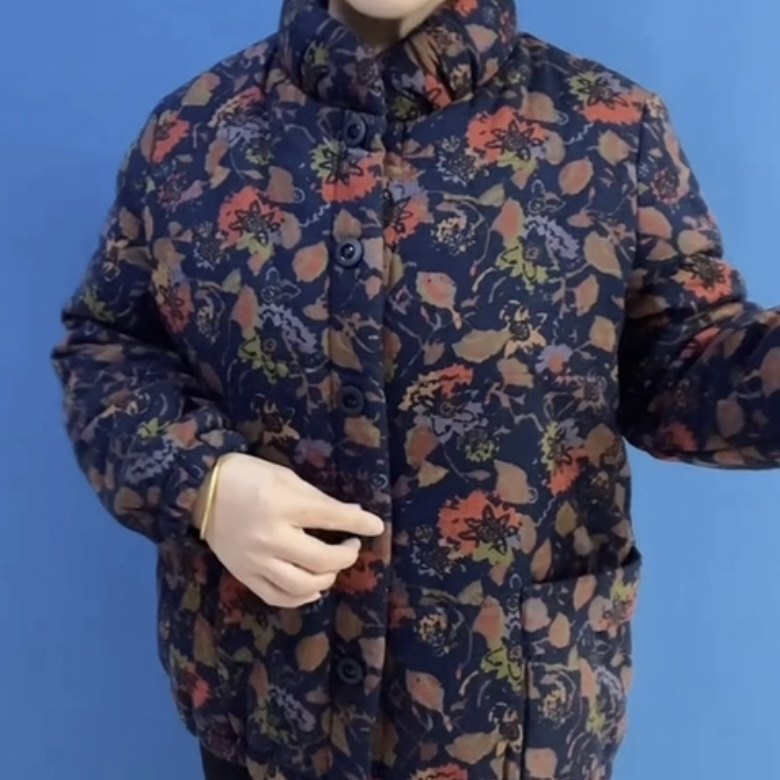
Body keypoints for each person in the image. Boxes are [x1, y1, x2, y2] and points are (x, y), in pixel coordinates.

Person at [50, 0, 780, 778]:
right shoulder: (192, 132)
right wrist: (202, 483)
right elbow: (109, 346)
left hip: (511, 719)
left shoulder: (610, 128)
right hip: (265, 705)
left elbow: (682, 365)